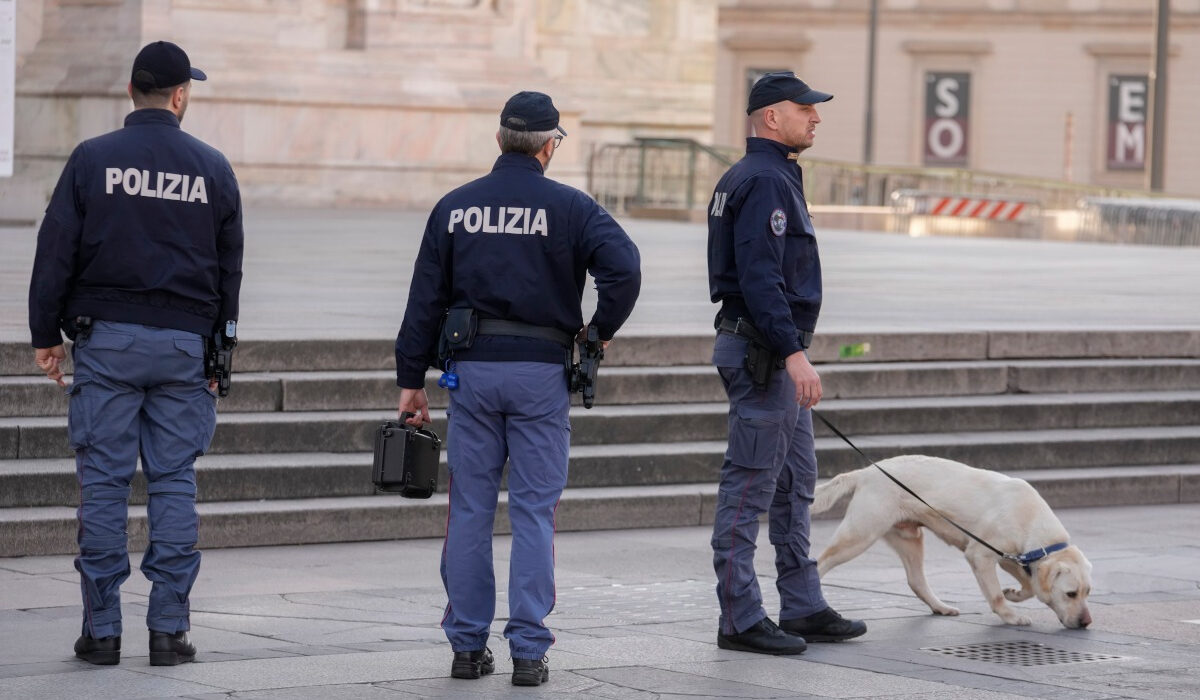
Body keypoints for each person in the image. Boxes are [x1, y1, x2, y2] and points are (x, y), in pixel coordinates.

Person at [394, 91, 641, 686]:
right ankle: (529, 652)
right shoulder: (571, 207)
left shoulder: (456, 207)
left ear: (499, 139)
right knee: (534, 512)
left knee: (471, 510)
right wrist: (598, 331)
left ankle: (466, 646)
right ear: (549, 146)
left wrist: (410, 380)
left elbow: (423, 299)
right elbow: (625, 269)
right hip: (541, 375)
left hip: (472, 373)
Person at [28, 41, 244, 667]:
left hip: (108, 342)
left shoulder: (93, 159)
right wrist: (220, 354)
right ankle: (168, 632)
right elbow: (230, 274)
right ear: (181, 96)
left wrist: (46, 336)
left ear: (131, 92)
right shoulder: (213, 167)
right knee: (174, 483)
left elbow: (55, 254)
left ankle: (101, 631)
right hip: (184, 345)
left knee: (103, 484)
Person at [705, 72, 867, 655]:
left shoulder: (762, 176)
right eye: (805, 109)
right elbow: (760, 277)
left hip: (771, 350)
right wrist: (795, 353)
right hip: (765, 354)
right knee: (748, 487)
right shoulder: (766, 181)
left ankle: (801, 604)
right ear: (772, 117)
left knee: (796, 483)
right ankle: (740, 618)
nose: (816, 118)